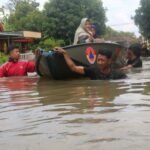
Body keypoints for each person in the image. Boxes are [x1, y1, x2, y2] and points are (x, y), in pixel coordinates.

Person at [54, 47, 126, 80]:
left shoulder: (118, 74)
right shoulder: (93, 71)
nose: (100, 63)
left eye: (102, 60)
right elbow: (73, 68)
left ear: (109, 61)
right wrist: (64, 53)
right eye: (98, 60)